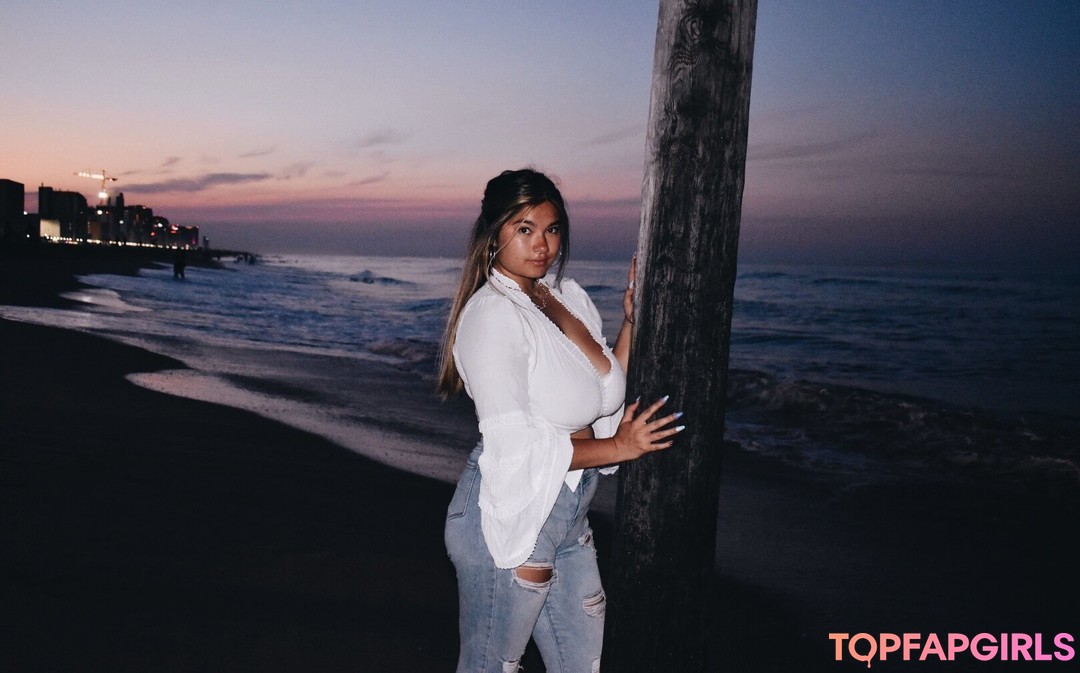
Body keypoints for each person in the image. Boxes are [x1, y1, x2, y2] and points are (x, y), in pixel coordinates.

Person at [437, 168, 684, 672]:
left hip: (568, 516)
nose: (542, 244)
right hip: (511, 517)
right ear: (494, 234)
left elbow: (604, 391)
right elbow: (516, 448)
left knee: (583, 665)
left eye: (551, 229)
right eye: (524, 229)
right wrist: (621, 447)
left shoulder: (564, 295)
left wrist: (632, 320)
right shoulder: (492, 316)